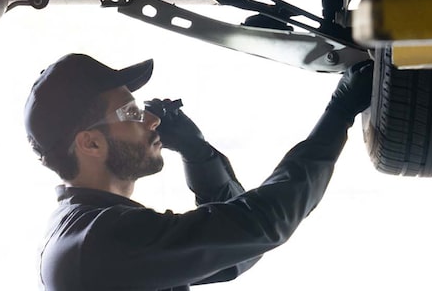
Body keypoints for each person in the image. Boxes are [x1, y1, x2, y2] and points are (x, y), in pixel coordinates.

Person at [24, 53, 374, 290]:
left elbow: (236, 255)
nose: (152, 119)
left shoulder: (84, 229)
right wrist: (339, 112)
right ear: (91, 144)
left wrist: (198, 155)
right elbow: (261, 225)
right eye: (131, 113)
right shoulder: (100, 239)